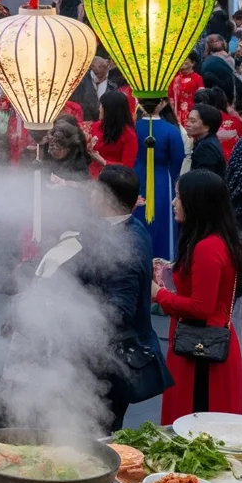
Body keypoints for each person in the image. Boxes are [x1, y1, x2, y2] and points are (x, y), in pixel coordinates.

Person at [62, 167, 171, 433]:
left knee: (97, 434)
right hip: (102, 354)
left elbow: (119, 310)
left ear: (105, 197)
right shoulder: (129, 227)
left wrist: (68, 316)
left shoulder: (125, 244)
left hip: (108, 361)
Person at [157, 169, 242, 417]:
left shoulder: (208, 247)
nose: (174, 203)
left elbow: (201, 306)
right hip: (202, 343)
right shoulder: (213, 240)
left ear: (197, 203)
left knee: (194, 425)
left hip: (202, 352)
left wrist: (159, 295)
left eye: (179, 197)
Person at [136, 101, 185, 259]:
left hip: (136, 177)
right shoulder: (171, 130)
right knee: (162, 221)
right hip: (162, 180)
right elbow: (178, 159)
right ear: (163, 104)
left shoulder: (132, 127)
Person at [92, 89, 137, 179]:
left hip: (114, 180)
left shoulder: (129, 135)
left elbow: (127, 167)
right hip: (93, 176)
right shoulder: (96, 126)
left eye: (102, 106)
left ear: (111, 110)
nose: (99, 109)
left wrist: (103, 161)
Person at [190, 104, 226, 176]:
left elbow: (203, 179)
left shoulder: (207, 147)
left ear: (207, 126)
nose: (187, 124)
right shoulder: (206, 141)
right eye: (187, 120)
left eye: (192, 121)